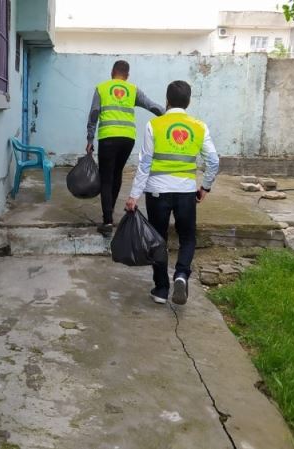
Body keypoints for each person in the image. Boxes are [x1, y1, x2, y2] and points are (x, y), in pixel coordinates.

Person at [124, 80, 219, 305]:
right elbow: (213, 161)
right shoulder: (199, 126)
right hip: (186, 191)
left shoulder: (154, 125)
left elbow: (144, 164)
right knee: (187, 237)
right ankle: (181, 274)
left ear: (167, 100)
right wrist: (205, 187)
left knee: (158, 239)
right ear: (188, 101)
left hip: (157, 192)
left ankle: (161, 289)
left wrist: (134, 195)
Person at [86, 60, 164, 236]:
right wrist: (171, 115)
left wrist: (90, 138)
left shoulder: (102, 88)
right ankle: (110, 210)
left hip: (108, 137)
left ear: (112, 72)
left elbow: (94, 113)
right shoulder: (133, 90)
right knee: (117, 174)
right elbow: (152, 106)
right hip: (128, 139)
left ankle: (107, 221)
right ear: (127, 75)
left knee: (106, 178)